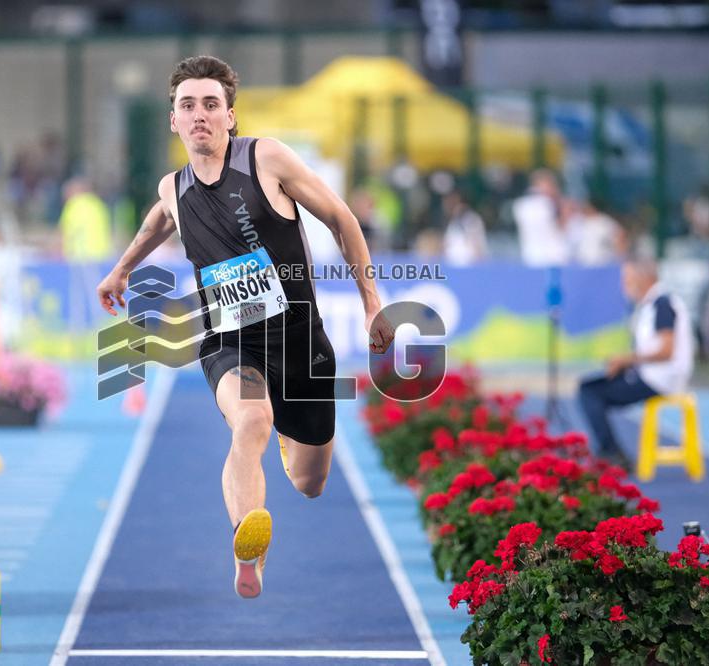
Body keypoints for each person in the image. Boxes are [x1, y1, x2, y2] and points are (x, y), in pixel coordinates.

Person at [96, 56, 395, 599]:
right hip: (231, 342)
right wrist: (122, 268)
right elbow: (156, 221)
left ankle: (289, 439)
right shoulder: (173, 187)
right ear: (174, 120)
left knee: (309, 483)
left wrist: (372, 302)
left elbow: (341, 217)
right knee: (251, 420)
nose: (199, 115)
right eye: (188, 105)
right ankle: (248, 545)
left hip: (302, 343)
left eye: (211, 104)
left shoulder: (267, 159)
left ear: (230, 116)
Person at [578, 256, 695, 468]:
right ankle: (611, 451)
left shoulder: (662, 304)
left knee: (589, 392)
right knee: (592, 385)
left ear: (644, 278)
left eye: (628, 279)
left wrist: (627, 360)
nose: (625, 285)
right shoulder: (653, 305)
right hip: (652, 375)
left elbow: (666, 350)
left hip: (659, 380)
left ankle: (612, 454)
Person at [512, 169, 569, 266]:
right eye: (551, 185)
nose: (554, 189)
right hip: (549, 255)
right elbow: (558, 228)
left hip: (532, 255)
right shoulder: (545, 204)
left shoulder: (520, 204)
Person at [441, 189, 488, 266]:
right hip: (452, 266)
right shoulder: (452, 222)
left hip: (470, 266)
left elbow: (478, 248)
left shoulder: (472, 219)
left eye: (454, 203)